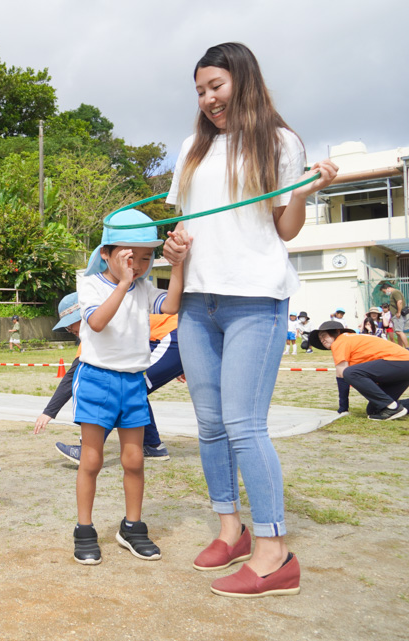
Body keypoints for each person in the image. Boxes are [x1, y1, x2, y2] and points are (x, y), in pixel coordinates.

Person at [161, 42, 338, 597]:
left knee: (244, 425)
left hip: (255, 300)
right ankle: (229, 530)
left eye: (216, 86)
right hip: (197, 302)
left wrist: (307, 190)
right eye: (200, 91)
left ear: (243, 79)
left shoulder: (281, 142)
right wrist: (174, 249)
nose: (209, 99)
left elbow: (284, 230)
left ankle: (273, 551)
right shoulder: (193, 147)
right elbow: (187, 224)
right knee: (210, 425)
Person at [62, 208, 186, 567]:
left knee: (134, 460)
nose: (140, 265)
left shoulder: (144, 287)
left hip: (133, 382)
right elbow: (97, 323)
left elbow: (173, 304)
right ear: (106, 253)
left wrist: (176, 266)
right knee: (92, 459)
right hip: (97, 379)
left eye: (147, 257)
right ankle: (84, 529)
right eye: (131, 257)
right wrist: (122, 284)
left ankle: (132, 526)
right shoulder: (89, 285)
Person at [40, 294, 179, 463]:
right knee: (133, 388)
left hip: (173, 336)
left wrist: (49, 412)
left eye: (70, 325)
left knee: (122, 390)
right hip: (175, 340)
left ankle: (87, 450)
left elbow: (71, 377)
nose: (70, 331)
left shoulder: (98, 328)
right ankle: (152, 445)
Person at [311, 320, 409, 420]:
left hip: (401, 362)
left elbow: (341, 375)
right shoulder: (353, 339)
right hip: (402, 367)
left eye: (323, 335)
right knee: (374, 409)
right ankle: (395, 407)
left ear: (337, 332)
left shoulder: (340, 341)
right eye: (320, 338)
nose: (322, 340)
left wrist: (343, 408)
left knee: (349, 372)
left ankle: (392, 408)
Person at [380, 282, 407, 348]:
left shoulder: (395, 292)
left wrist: (399, 312)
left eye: (384, 291)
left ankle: (407, 347)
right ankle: (400, 347)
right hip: (396, 315)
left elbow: (399, 302)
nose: (385, 293)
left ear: (388, 288)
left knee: (399, 332)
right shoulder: (393, 293)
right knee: (398, 333)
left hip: (398, 315)